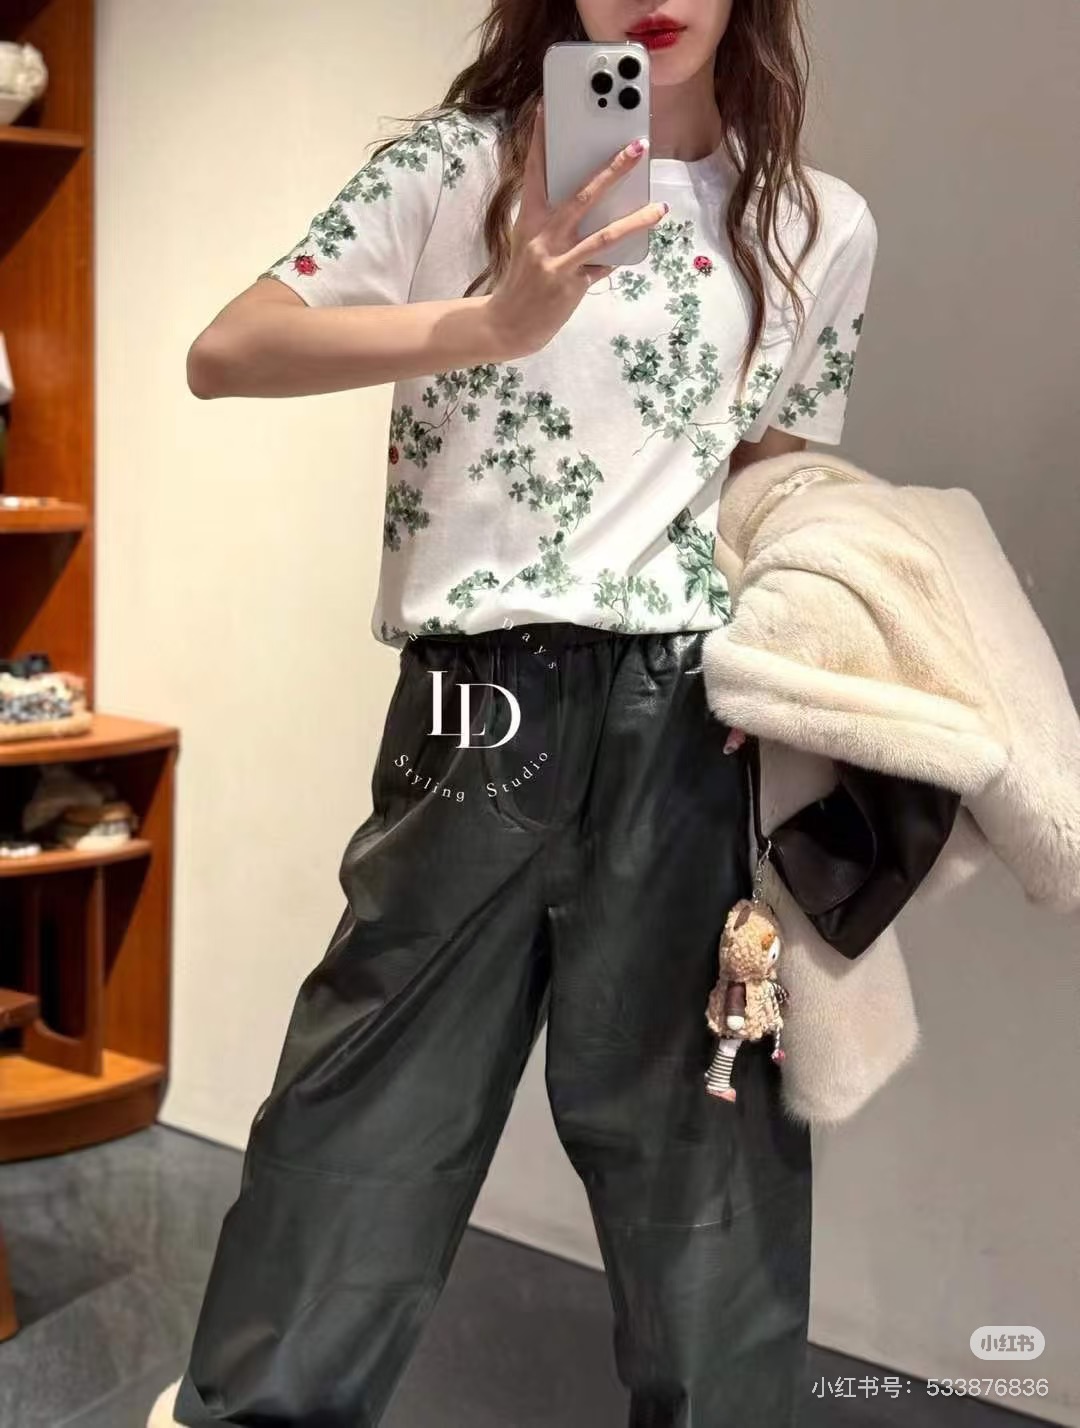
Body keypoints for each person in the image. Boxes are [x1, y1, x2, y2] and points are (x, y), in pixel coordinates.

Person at [166, 1, 878, 1423]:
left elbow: (768, 470)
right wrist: (490, 322)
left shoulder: (815, 221)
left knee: (703, 1141)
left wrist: (781, 643)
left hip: (690, 717)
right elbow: (228, 349)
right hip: (478, 702)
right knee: (366, 1112)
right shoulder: (461, 168)